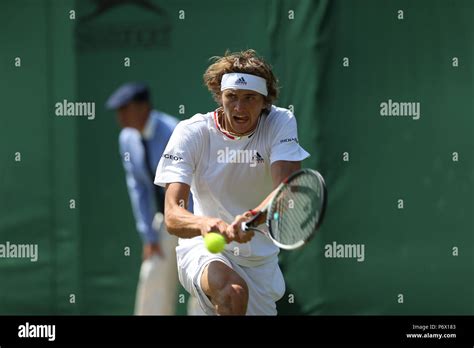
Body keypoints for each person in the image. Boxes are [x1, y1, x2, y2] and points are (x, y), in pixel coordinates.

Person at [154, 49, 310, 315]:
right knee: (233, 291)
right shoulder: (191, 133)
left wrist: (251, 217)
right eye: (232, 97)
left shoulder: (280, 122)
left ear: (265, 101)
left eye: (250, 98)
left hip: (259, 261)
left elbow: (286, 190)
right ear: (220, 96)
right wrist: (206, 224)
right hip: (203, 249)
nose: (239, 108)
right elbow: (172, 215)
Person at [106, 82, 200, 315]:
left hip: (196, 217)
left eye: (124, 109)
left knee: (201, 284)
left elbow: (195, 182)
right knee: (152, 278)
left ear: (143, 107)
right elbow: (138, 188)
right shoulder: (127, 138)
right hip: (165, 220)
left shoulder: (174, 132)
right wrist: (148, 235)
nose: (120, 116)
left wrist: (197, 225)